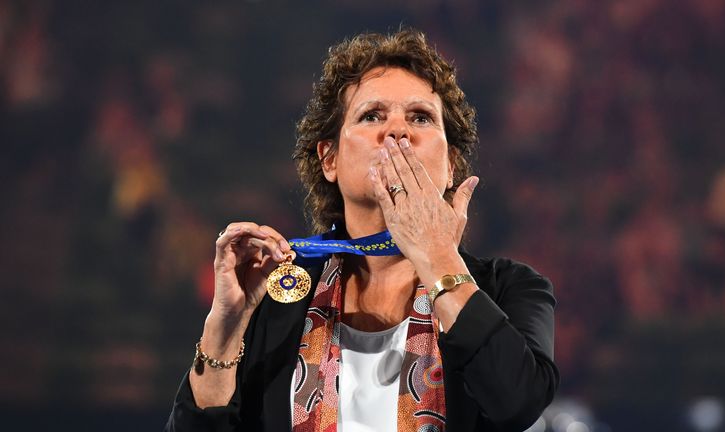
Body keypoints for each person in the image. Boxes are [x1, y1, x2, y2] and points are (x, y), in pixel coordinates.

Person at [165, 29, 558, 432]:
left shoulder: (511, 289)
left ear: (451, 165)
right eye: (372, 115)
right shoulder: (272, 295)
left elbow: (517, 404)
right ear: (329, 158)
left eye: (420, 117)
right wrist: (226, 329)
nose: (397, 132)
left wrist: (438, 257)